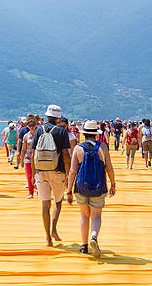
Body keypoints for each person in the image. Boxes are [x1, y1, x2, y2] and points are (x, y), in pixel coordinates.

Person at [66, 120, 117, 258]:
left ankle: (84, 246)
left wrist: (69, 190)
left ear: (84, 134)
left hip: (81, 187)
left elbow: (72, 171)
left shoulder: (78, 148)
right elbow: (109, 168)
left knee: (84, 215)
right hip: (98, 186)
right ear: (96, 134)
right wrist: (113, 184)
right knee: (96, 215)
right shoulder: (103, 147)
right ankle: (94, 237)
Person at [33, 105, 72, 247]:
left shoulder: (38, 129)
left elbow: (33, 153)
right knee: (58, 201)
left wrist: (33, 173)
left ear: (47, 115)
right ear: (58, 117)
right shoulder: (62, 132)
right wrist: (68, 174)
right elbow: (66, 155)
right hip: (57, 170)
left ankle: (47, 238)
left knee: (45, 205)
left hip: (41, 171)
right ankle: (54, 228)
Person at [16, 114, 38, 198]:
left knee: (37, 175)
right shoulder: (26, 136)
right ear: (27, 126)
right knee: (29, 176)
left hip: (37, 158)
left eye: (33, 125)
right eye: (30, 126)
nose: (31, 127)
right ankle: (30, 192)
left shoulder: (38, 134)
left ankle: (38, 190)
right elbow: (23, 148)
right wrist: (21, 159)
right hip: (28, 158)